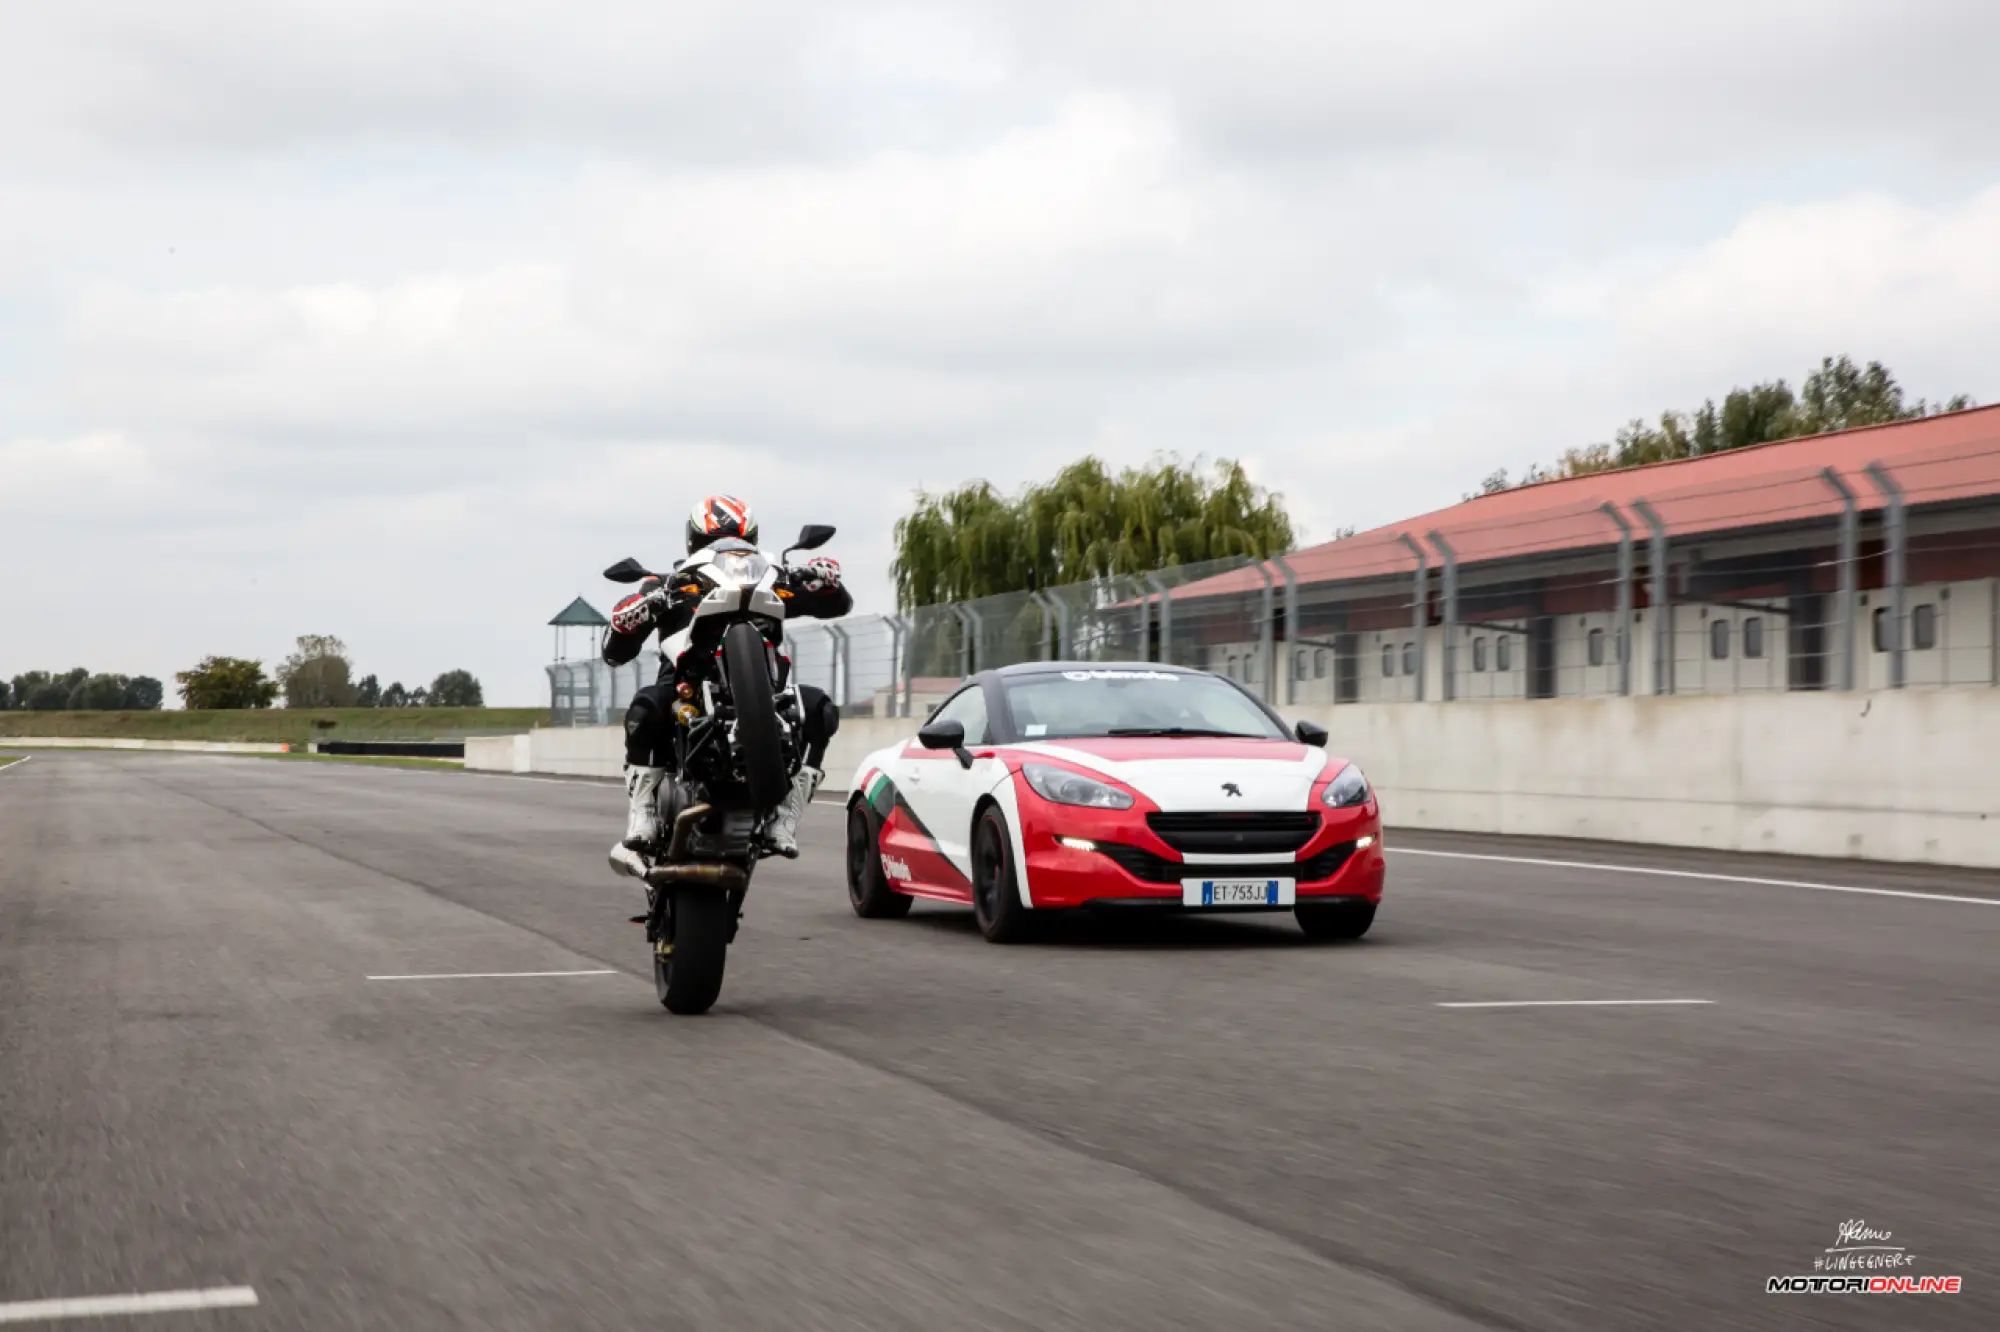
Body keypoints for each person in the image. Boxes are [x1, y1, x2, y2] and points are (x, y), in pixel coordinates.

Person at [602, 494, 850, 875]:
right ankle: (643, 815)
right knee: (647, 706)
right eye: (713, 545)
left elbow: (836, 605)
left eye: (742, 545)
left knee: (818, 708)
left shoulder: (771, 581)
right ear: (693, 546)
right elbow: (614, 652)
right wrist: (628, 619)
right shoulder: (666, 585)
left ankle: (786, 815)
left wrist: (824, 580)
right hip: (683, 684)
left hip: (767, 693)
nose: (731, 555)